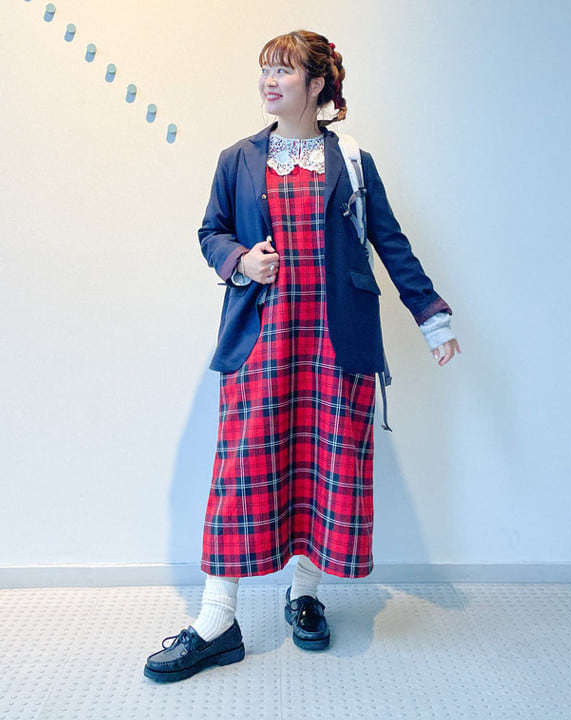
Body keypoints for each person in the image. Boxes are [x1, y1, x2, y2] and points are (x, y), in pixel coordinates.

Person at [144, 29, 460, 683]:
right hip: (262, 341)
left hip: (335, 344)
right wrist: (240, 261)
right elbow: (211, 232)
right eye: (265, 69)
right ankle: (217, 621)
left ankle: (305, 596)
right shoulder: (237, 159)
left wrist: (432, 318)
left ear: (317, 85)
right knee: (242, 474)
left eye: (283, 71)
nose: (269, 80)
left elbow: (390, 243)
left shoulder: (353, 160)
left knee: (323, 469)